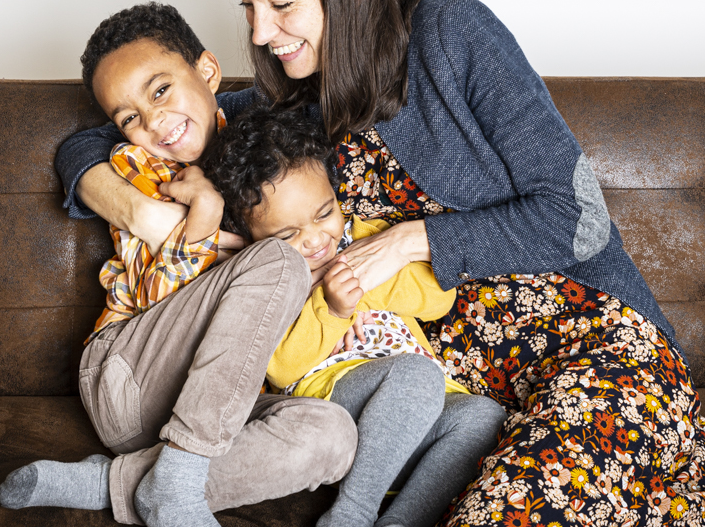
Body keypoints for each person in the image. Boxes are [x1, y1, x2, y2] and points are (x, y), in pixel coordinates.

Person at [56, 0, 705, 526]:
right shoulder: (290, 106)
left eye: (281, 3)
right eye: (249, 7)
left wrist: (409, 239)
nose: (260, 33)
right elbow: (93, 137)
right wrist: (144, 209)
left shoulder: (454, 36)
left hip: (583, 344)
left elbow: (579, 219)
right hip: (447, 378)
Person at [3, 2, 357, 527]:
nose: (153, 121)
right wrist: (200, 212)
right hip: (128, 373)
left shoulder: (262, 132)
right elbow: (150, 292)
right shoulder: (141, 165)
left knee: (332, 437)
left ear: (208, 72)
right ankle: (179, 485)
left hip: (209, 403)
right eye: (129, 117)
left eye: (161, 90)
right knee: (280, 260)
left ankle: (115, 482)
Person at [201, 105, 506, 527]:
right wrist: (333, 308)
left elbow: (439, 300)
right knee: (416, 374)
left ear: (335, 193)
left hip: (419, 418)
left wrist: (361, 280)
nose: (313, 240)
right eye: (286, 235)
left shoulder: (366, 237)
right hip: (338, 405)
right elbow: (280, 366)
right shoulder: (268, 276)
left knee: (485, 416)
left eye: (324, 213)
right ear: (251, 236)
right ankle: (351, 512)